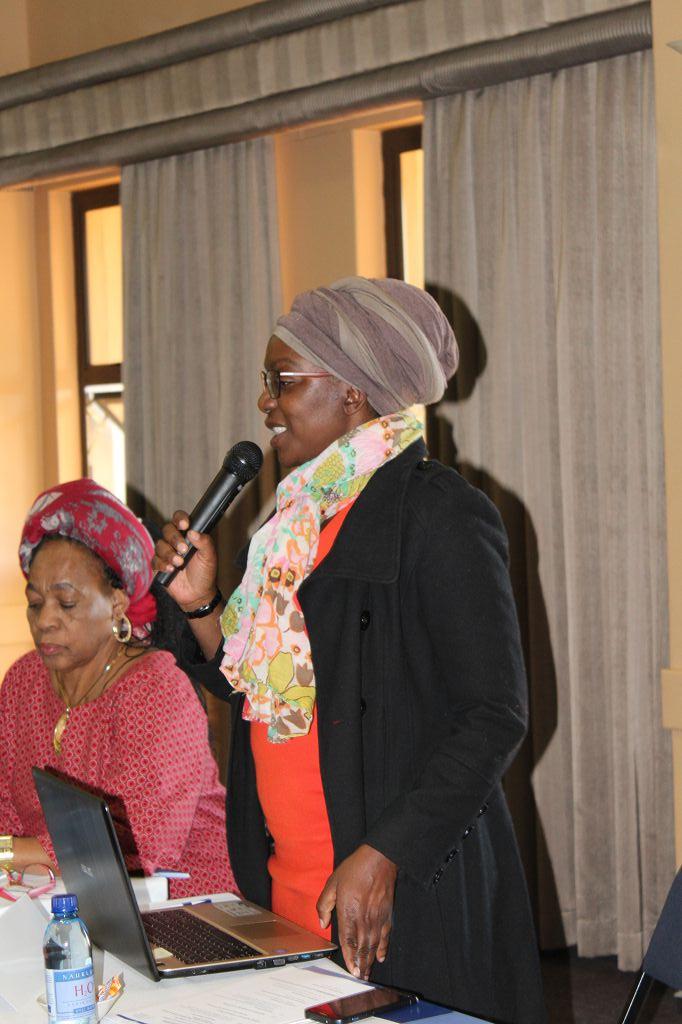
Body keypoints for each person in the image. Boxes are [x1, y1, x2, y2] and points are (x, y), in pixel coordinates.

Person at [154, 277, 546, 1022]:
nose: (265, 402)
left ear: (353, 393)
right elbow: (261, 690)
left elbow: (494, 714)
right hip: (287, 882)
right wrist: (201, 604)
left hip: (397, 893)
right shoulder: (290, 528)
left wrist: (386, 852)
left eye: (282, 381)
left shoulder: (441, 514)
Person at [0, 479, 237, 899]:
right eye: (35, 603)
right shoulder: (24, 681)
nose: (45, 620)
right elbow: (6, 809)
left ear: (117, 604)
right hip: (58, 900)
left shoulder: (156, 691)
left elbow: (129, 847)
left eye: (66, 603)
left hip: (183, 910)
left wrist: (7, 853)